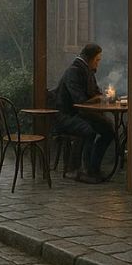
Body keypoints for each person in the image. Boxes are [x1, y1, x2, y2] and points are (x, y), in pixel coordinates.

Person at [53, 42, 113, 184]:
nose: (98, 63)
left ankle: (93, 167)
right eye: (97, 60)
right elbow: (79, 100)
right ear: (90, 59)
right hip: (66, 115)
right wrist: (97, 98)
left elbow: (95, 92)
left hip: (82, 113)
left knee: (108, 130)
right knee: (89, 131)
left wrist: (103, 96)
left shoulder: (88, 71)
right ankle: (79, 169)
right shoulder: (74, 71)